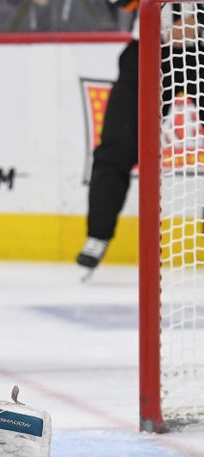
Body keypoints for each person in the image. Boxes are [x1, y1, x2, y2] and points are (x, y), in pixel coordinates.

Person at [77, 2, 204, 275]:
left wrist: (200, 20)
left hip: (200, 49)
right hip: (148, 48)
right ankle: (98, 234)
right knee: (115, 148)